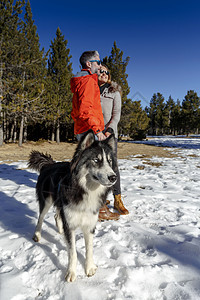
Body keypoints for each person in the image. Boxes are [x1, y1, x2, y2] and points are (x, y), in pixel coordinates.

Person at [70, 51, 119, 221]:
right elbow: (85, 109)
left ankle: (83, 202)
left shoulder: (85, 80)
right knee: (96, 167)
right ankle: (100, 209)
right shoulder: (87, 81)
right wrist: (96, 130)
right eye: (97, 62)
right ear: (89, 64)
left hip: (85, 129)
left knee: (85, 166)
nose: (100, 65)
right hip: (90, 131)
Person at [98, 63, 129, 215]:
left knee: (113, 166)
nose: (103, 73)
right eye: (100, 71)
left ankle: (117, 199)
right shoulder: (92, 91)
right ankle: (100, 199)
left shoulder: (114, 92)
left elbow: (116, 115)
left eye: (106, 72)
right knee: (97, 167)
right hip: (95, 134)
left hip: (109, 135)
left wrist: (109, 130)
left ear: (109, 75)